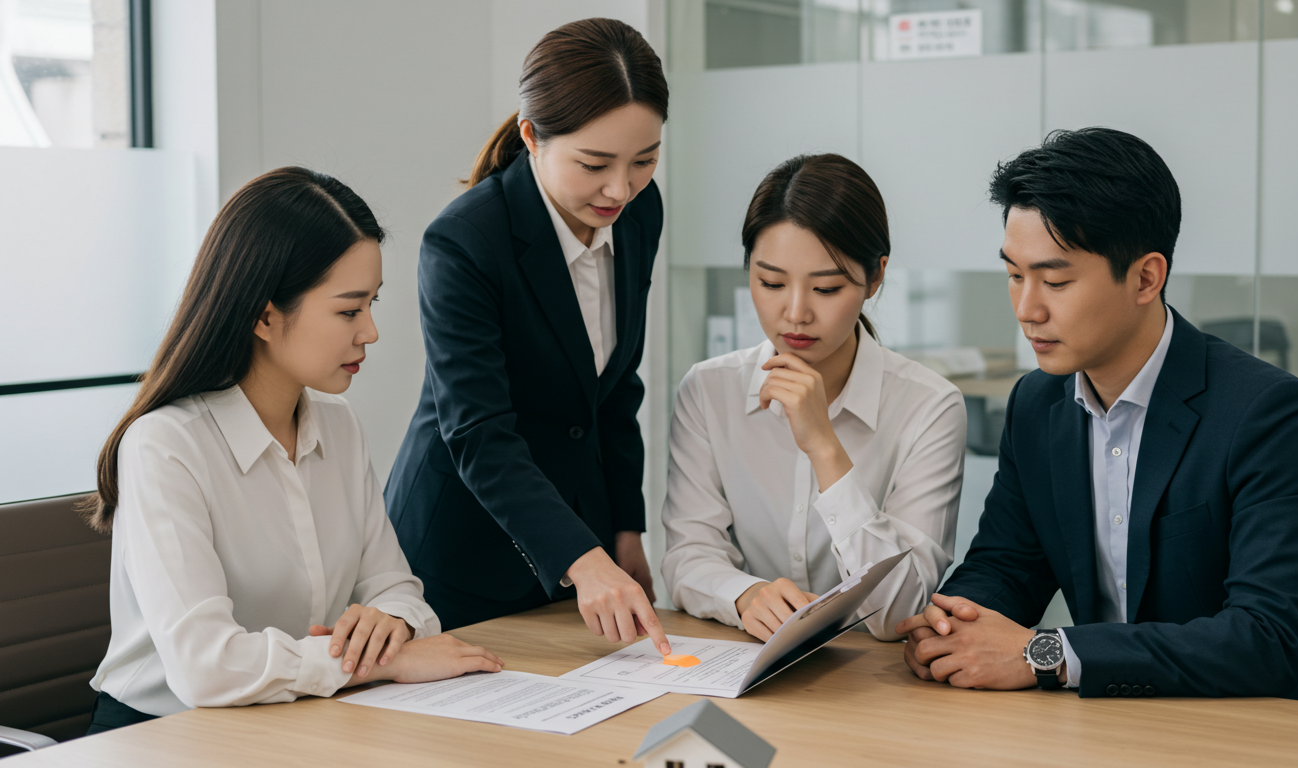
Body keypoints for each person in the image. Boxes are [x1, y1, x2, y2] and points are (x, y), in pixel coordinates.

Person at [897, 128, 1298, 705]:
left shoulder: (1268, 413)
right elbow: (1006, 567)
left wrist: (1046, 654)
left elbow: (1267, 639)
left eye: (1055, 281)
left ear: (1145, 277)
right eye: (1014, 275)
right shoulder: (1038, 405)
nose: (1026, 308)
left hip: (1263, 726)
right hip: (1112, 722)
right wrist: (947, 629)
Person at [84, 167, 503, 734]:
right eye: (349, 310)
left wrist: (389, 626)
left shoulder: (339, 425)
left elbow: (395, 588)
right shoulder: (165, 444)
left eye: (373, 304)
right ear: (264, 315)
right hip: (160, 734)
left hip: (293, 720)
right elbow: (205, 667)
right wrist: (379, 663)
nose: (371, 332)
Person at [384, 18, 671, 655]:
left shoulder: (638, 213)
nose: (620, 188)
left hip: (580, 541)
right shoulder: (466, 241)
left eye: (644, 160)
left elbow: (615, 388)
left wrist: (626, 530)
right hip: (465, 553)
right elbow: (479, 431)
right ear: (531, 138)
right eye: (594, 164)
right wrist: (584, 559)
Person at [662, 154, 965, 642]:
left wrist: (825, 447)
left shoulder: (929, 407)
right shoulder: (708, 390)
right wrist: (742, 595)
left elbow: (897, 610)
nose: (796, 313)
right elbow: (687, 555)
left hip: (874, 686)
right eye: (771, 283)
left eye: (826, 288)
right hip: (744, 664)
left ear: (876, 276)